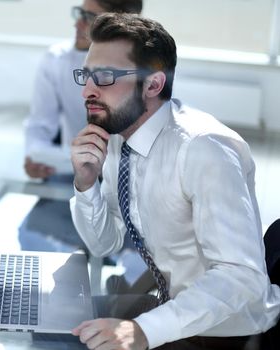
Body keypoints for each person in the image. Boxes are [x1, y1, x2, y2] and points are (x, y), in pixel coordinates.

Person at [69, 13, 280, 350]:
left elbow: (243, 277)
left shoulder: (203, 149)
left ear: (153, 85)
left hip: (224, 329)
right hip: (171, 307)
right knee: (60, 326)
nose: (87, 92)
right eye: (86, 75)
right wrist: (86, 183)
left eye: (104, 77)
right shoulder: (118, 138)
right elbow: (103, 245)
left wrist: (144, 331)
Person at [24, 0, 142, 178]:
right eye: (80, 13)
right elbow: (39, 127)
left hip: (130, 177)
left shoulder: (147, 67)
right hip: (70, 173)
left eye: (90, 18)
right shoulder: (56, 59)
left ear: (122, 25)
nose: (77, 23)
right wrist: (35, 158)